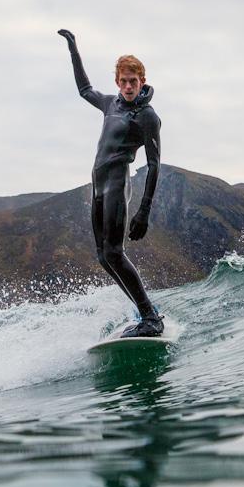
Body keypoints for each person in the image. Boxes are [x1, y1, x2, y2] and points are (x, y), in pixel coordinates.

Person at [58, 29, 163, 337]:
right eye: (124, 81)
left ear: (142, 81)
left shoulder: (147, 117)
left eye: (134, 80)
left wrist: (144, 211)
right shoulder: (110, 105)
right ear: (118, 82)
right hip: (98, 187)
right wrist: (74, 50)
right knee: (103, 256)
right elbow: (84, 89)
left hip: (118, 184)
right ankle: (146, 311)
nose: (129, 86)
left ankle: (150, 319)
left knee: (115, 252)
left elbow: (155, 164)